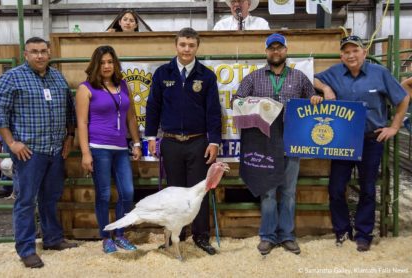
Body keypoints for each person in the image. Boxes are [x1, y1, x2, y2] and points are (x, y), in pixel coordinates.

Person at [313, 35, 409, 252]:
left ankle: (364, 234)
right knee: (336, 188)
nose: (351, 55)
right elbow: (314, 79)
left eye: (355, 50)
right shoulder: (335, 72)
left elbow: (403, 98)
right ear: (341, 55)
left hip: (371, 139)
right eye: (346, 52)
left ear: (364, 53)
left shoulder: (380, 73)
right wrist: (326, 89)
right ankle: (342, 231)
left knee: (367, 188)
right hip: (342, 141)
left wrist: (394, 127)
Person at [233, 33, 320, 256]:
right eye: (271, 48)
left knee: (289, 191)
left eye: (279, 48)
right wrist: (259, 105)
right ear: (266, 52)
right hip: (264, 141)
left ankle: (287, 236)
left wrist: (316, 98)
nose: (276, 52)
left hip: (292, 139)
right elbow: (237, 101)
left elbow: (312, 100)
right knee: (268, 191)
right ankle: (268, 236)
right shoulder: (253, 78)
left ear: (286, 50)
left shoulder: (299, 78)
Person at [0, 37, 78, 268]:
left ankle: (52, 239)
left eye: (43, 51)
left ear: (49, 53)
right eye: (34, 52)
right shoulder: (11, 78)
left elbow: (70, 111)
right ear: (25, 54)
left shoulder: (57, 78)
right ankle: (26, 248)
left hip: (55, 150)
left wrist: (70, 137)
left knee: (50, 197)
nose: (39, 56)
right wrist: (11, 143)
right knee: (25, 200)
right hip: (29, 152)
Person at [145, 27, 222, 255]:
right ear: (176, 45)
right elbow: (153, 107)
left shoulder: (206, 76)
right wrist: (151, 136)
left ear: (197, 47)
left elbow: (213, 112)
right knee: (173, 194)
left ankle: (201, 237)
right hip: (170, 143)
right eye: (182, 45)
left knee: (199, 193)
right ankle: (174, 237)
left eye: (191, 45)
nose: (186, 49)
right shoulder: (162, 74)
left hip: (198, 143)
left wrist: (214, 141)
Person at [75, 45, 142, 254]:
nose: (106, 66)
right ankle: (106, 237)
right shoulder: (85, 88)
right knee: (103, 194)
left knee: (128, 192)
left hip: (121, 147)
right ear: (96, 64)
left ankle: (120, 233)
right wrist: (86, 153)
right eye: (102, 62)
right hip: (98, 147)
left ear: (115, 64)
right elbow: (82, 122)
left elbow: (131, 116)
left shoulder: (123, 85)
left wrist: (137, 142)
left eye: (110, 62)